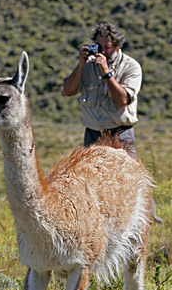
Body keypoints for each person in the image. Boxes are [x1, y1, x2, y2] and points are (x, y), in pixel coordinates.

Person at [63, 20, 163, 223]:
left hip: (120, 132)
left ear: (117, 46)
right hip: (93, 134)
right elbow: (68, 90)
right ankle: (102, 221)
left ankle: (147, 220)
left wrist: (107, 72)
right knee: (92, 181)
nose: (103, 52)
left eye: (107, 47)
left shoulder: (130, 67)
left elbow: (123, 99)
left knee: (132, 181)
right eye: (98, 47)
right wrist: (81, 65)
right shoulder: (88, 66)